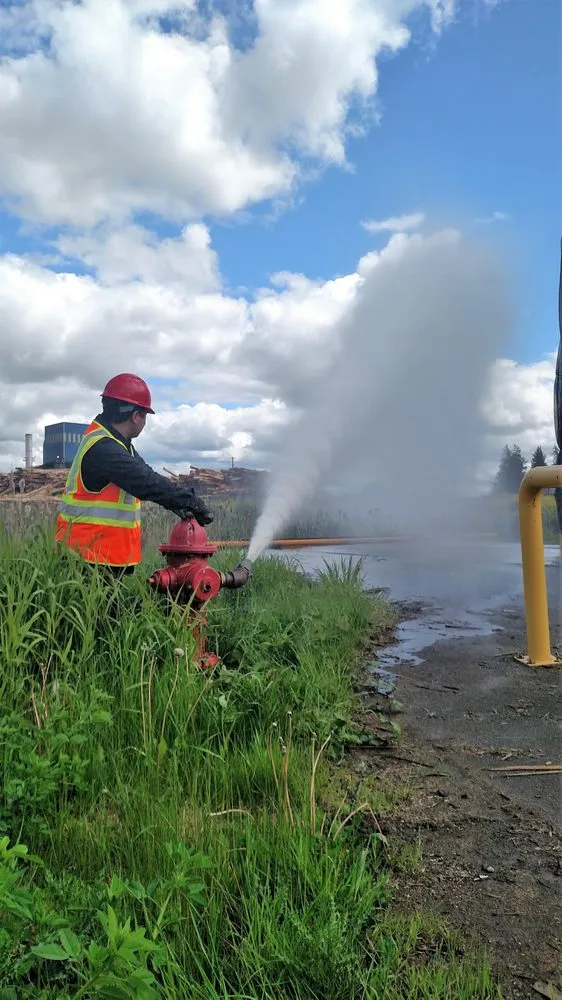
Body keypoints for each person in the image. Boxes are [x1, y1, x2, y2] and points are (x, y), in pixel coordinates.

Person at [56, 373, 213, 574]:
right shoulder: (104, 448)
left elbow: (146, 475)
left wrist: (176, 504)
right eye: (145, 416)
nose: (144, 422)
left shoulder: (118, 444)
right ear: (136, 416)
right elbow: (145, 482)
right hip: (86, 561)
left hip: (100, 557)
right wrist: (190, 501)